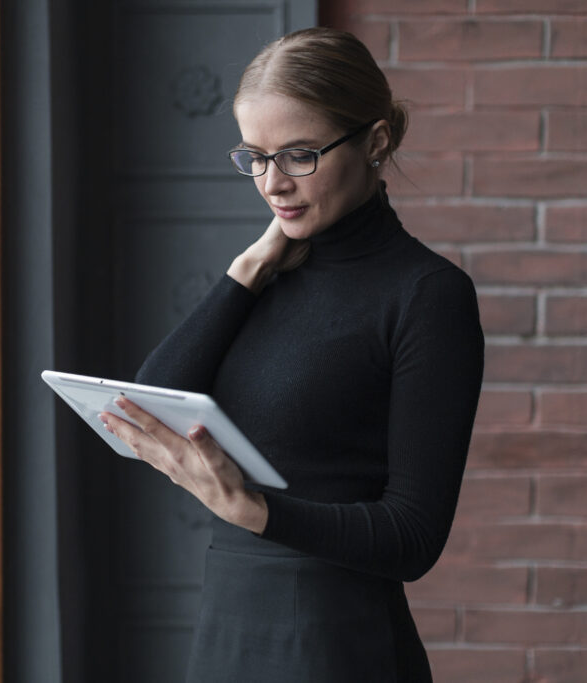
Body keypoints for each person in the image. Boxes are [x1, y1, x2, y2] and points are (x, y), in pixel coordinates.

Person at [98, 27, 483, 682]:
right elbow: (145, 403)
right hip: (228, 624)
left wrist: (256, 510)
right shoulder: (269, 276)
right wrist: (247, 269)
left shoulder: (428, 296)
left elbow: (413, 536)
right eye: (254, 156)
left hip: (337, 640)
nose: (273, 182)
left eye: (299, 154)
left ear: (377, 142)